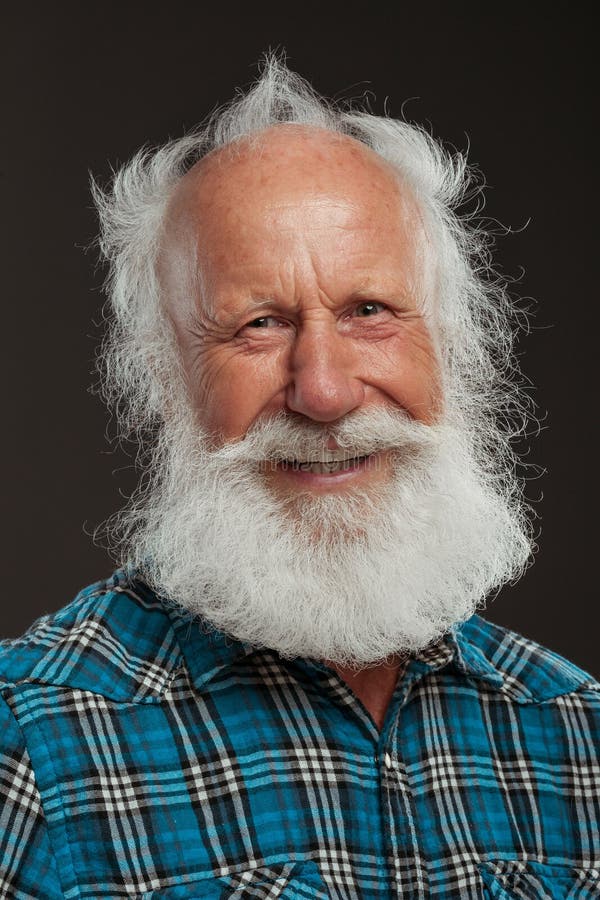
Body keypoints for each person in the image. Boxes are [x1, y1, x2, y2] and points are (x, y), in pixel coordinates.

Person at [1, 57, 598, 899]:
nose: (322, 390)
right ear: (164, 378)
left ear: (454, 343)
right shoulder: (33, 741)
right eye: (259, 324)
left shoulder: (575, 732)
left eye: (370, 312)